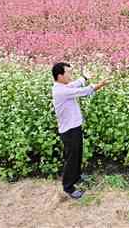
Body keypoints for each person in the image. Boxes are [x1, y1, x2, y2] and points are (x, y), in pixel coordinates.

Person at [51, 62, 109, 199]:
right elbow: (81, 91)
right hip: (69, 131)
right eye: (68, 73)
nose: (70, 75)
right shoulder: (61, 91)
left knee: (77, 154)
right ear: (60, 76)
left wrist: (84, 78)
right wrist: (99, 85)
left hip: (74, 127)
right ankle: (68, 187)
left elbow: (75, 85)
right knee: (71, 158)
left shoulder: (63, 86)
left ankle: (76, 177)